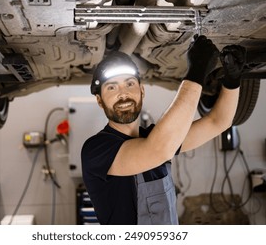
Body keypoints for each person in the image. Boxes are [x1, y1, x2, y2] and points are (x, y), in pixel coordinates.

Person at [81, 35, 246, 225]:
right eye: (111, 87)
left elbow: (218, 122)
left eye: (129, 84)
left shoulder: (159, 138)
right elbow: (159, 149)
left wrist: (233, 80)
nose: (123, 94)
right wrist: (196, 70)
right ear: (100, 101)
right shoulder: (96, 149)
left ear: (142, 90)